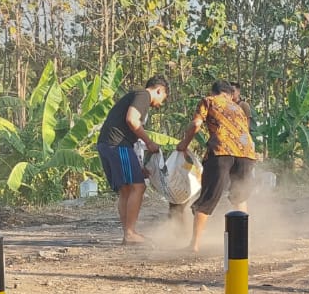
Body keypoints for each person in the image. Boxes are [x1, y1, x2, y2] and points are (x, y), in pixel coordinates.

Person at [178, 80, 257, 254]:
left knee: (209, 197)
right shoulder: (239, 108)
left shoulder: (209, 101)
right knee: (239, 196)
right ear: (229, 94)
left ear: (215, 92)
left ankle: (195, 245)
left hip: (222, 151)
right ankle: (242, 243)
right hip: (247, 153)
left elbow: (196, 124)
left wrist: (184, 144)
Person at [97, 76, 167, 243]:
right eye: (164, 98)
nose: (161, 103)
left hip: (108, 144)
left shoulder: (135, 95)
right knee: (138, 187)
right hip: (118, 144)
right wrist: (149, 142)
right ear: (159, 90)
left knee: (126, 190)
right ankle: (130, 233)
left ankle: (128, 234)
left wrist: (138, 165)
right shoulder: (143, 95)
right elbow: (132, 120)